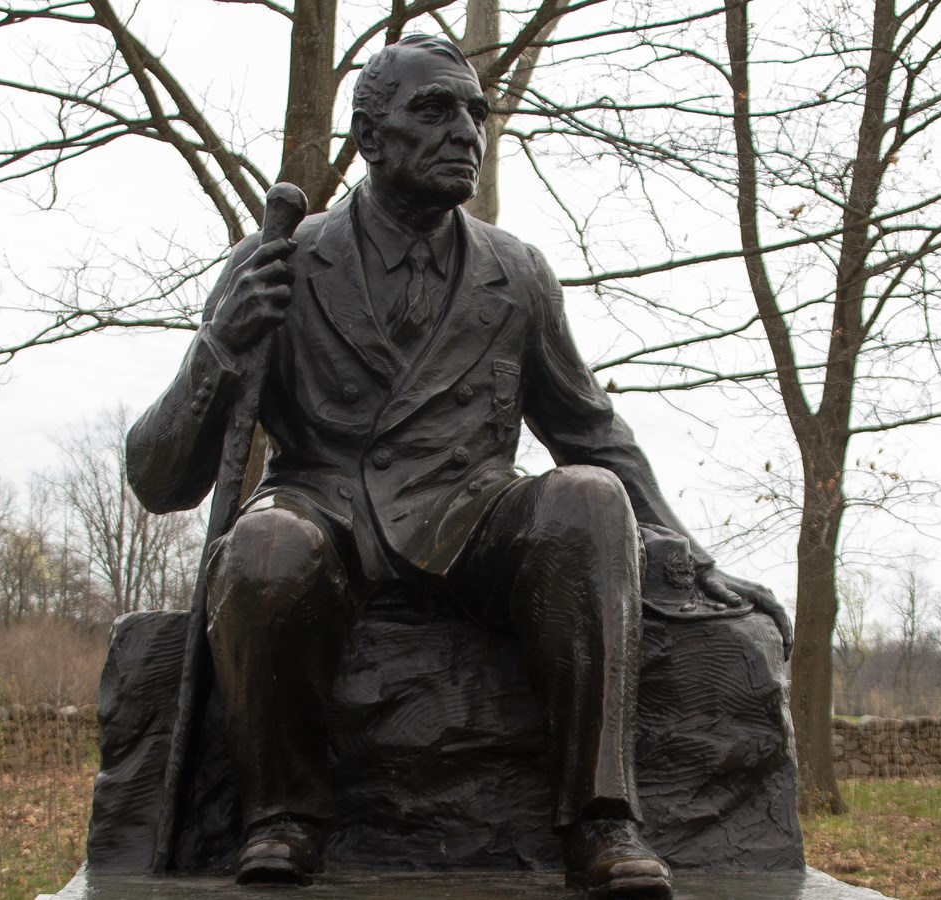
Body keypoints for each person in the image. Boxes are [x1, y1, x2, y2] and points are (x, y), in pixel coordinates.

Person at [127, 34, 778, 900]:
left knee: (589, 497)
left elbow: (590, 428)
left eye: (476, 111)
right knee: (263, 548)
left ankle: (601, 818)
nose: (467, 130)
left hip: (467, 512)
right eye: (433, 109)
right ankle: (283, 814)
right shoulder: (280, 263)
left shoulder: (516, 272)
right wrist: (219, 345)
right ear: (370, 136)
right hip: (323, 507)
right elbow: (161, 481)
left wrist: (689, 556)